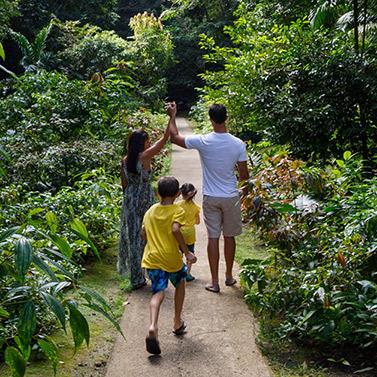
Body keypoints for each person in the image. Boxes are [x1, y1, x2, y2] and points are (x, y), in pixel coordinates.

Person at [167, 102, 249, 293]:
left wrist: (172, 115)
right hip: (231, 197)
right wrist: (243, 198)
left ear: (211, 120)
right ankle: (228, 276)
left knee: (213, 238)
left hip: (211, 197)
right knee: (230, 237)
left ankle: (214, 282)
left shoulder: (204, 141)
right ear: (226, 118)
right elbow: (244, 177)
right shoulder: (238, 144)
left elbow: (174, 138)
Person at [141, 176, 197, 355]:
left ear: (158, 193)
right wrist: (187, 252)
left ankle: (152, 326)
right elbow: (175, 229)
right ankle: (177, 322)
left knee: (158, 292)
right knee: (180, 283)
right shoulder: (177, 210)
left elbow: (143, 234)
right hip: (171, 258)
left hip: (152, 258)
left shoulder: (150, 211)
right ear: (177, 193)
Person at [118, 124, 170, 289]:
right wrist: (171, 117)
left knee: (133, 238)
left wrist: (129, 200)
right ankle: (152, 271)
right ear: (142, 143)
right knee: (148, 235)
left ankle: (136, 278)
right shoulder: (144, 156)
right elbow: (164, 140)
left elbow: (124, 185)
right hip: (144, 200)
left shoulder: (125, 160)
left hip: (130, 200)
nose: (149, 143)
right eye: (147, 140)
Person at [177, 183, 201, 282]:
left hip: (179, 232)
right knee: (189, 252)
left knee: (179, 252)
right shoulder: (196, 207)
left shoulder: (177, 205)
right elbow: (198, 222)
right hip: (190, 233)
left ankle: (179, 271)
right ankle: (188, 274)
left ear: (181, 193)